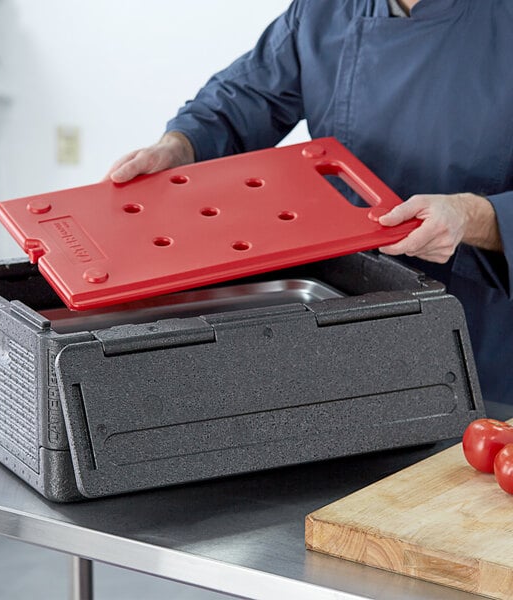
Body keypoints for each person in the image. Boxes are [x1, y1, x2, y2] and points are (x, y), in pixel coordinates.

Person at [105, 0, 513, 406]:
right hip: (340, 314)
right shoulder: (325, 9)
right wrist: (180, 145)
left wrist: (473, 217)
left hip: (477, 340)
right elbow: (243, 97)